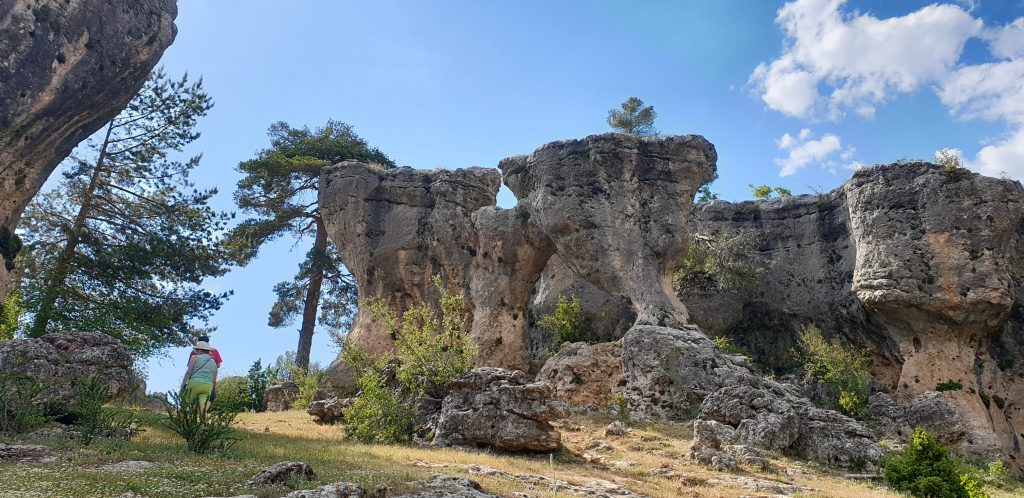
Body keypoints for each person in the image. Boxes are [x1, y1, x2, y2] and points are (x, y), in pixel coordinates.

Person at [180, 341, 219, 413]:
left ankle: (180, 423)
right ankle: (203, 424)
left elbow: (189, 372)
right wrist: (213, 390)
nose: (195, 351)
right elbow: (214, 380)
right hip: (208, 386)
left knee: (184, 405)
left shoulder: (194, 358)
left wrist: (183, 385)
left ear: (200, 350)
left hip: (195, 383)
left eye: (197, 350)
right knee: (203, 410)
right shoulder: (214, 363)